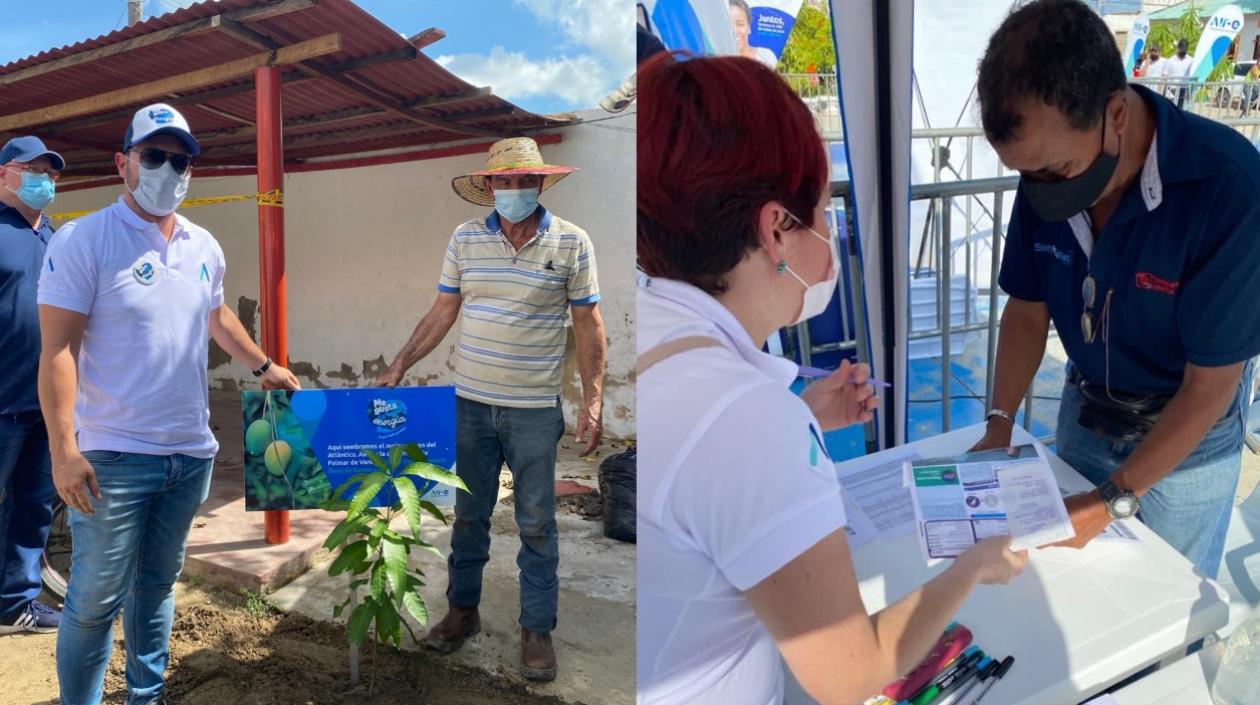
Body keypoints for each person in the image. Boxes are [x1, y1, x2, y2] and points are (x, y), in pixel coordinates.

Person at [636, 54, 1028, 705]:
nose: (830, 231)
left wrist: (807, 415)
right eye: (822, 210)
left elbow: (698, 483)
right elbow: (848, 675)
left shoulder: (652, 324)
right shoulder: (751, 418)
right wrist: (973, 564)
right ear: (775, 231)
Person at [973, 0, 1260, 579]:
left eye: (1056, 170)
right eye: (1025, 174)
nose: (1041, 193)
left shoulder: (1226, 188)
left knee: (1170, 598)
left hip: (1189, 441)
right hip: (1088, 413)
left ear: (1116, 115)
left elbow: (1209, 387)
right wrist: (999, 422)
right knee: (1074, 590)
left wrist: (1113, 499)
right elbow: (1027, 313)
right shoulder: (1042, 185)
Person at [38, 103, 300, 705]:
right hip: (112, 460)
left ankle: (146, 697)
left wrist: (263, 366)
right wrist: (64, 451)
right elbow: (56, 351)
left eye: (180, 159)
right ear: (122, 163)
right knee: (94, 600)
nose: (168, 169)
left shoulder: (202, 243)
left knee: (156, 587)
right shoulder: (84, 239)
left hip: (190, 455)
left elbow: (216, 315)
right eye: (153, 155)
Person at [374, 137, 606, 682]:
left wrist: (593, 400)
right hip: (471, 407)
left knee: (536, 524)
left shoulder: (572, 244)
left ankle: (536, 628)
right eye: (501, 182)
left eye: (522, 181)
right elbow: (442, 311)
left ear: (540, 184)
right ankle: (463, 611)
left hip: (531, 410)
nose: (511, 190)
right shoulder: (465, 239)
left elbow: (589, 325)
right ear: (488, 187)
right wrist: (401, 363)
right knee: (470, 517)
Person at [0, 136, 65, 635]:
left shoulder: (56, 238)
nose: (46, 178)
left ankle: (14, 604)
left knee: (33, 505)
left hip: (48, 403)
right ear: (5, 174)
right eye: (34, 168)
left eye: (52, 171)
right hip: (2, 403)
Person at [730, 0, 778, 69]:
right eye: (729, 25)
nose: (735, 31)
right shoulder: (717, 62)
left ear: (749, 27)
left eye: (740, 24)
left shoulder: (766, 56)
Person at [1164, 38, 1194, 108]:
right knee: (1170, 110)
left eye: (1184, 49)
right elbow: (1165, 76)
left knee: (1180, 111)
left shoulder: (1191, 61)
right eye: (1181, 49)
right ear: (1178, 48)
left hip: (1183, 90)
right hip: (1171, 91)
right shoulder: (1170, 60)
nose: (1183, 51)